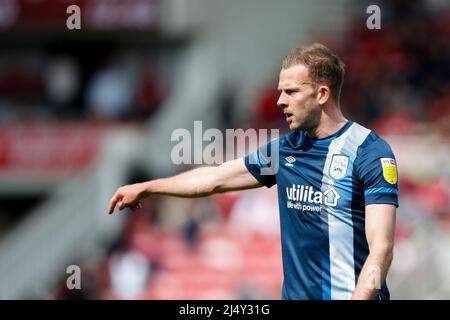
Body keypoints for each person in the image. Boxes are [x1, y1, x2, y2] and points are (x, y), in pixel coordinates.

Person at [108, 43, 398, 300]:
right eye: (280, 91)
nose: (280, 101)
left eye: (291, 91)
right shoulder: (284, 151)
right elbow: (215, 178)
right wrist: (148, 187)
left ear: (322, 94)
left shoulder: (370, 153)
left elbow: (381, 249)